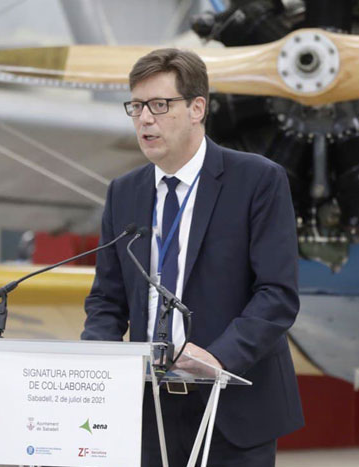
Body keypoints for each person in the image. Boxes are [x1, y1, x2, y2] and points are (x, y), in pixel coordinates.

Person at [81, 48, 304, 466]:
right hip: (149, 408)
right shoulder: (124, 192)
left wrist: (217, 358)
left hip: (233, 404)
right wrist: (98, 361)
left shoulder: (258, 180)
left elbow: (277, 295)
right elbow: (107, 300)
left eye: (159, 105)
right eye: (136, 106)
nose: (145, 119)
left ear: (197, 108)